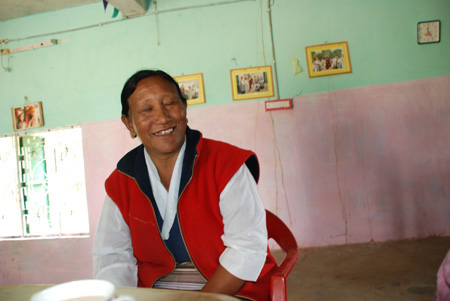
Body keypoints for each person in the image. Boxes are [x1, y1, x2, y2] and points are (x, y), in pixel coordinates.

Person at [92, 70, 277, 300]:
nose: (162, 118)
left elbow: (247, 249)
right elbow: (113, 257)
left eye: (170, 103)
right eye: (147, 110)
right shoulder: (122, 181)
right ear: (129, 123)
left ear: (185, 108)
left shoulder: (226, 164)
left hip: (231, 287)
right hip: (159, 290)